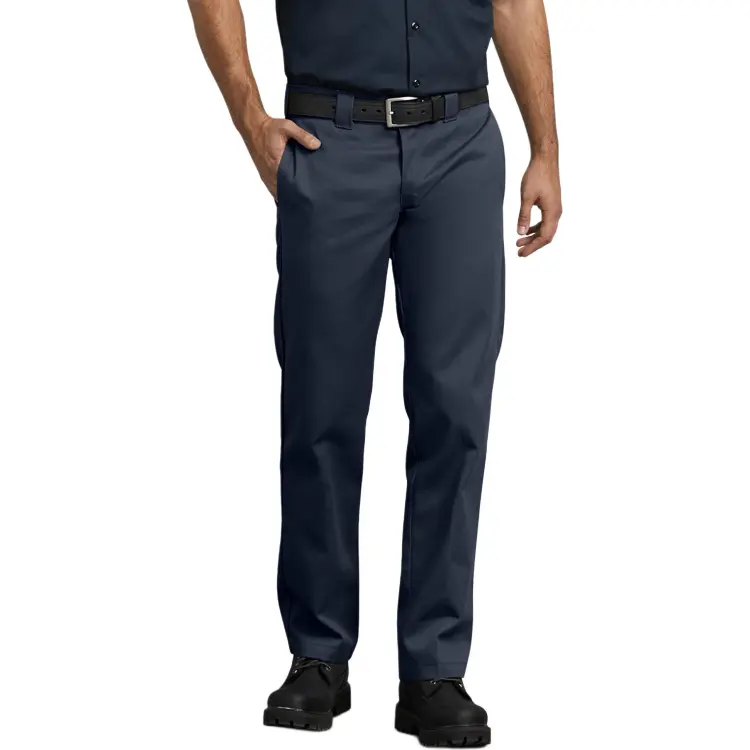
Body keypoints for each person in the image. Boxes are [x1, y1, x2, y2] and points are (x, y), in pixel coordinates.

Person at [188, 0, 561, 744]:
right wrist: (251, 119)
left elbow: (515, 0)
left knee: (455, 413)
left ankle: (434, 671)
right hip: (330, 141)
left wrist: (545, 148)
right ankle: (318, 656)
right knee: (320, 409)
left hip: (461, 142)